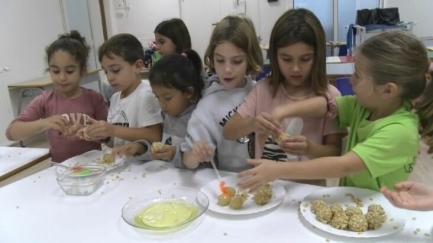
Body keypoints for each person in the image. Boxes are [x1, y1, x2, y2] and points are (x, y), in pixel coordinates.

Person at [236, 31, 433, 192]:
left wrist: (278, 169)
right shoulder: (364, 106)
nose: (351, 79)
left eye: (357, 74)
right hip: (356, 201)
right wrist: (283, 110)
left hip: (383, 212)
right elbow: (327, 105)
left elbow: (344, 165)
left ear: (388, 90)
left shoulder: (400, 131)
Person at [223, 9, 343, 186]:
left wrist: (310, 148)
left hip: (308, 193)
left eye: (305, 59)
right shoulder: (263, 89)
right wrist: (253, 123)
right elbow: (229, 131)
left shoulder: (330, 97)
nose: (295, 68)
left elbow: (335, 153)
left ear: (317, 56)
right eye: (286, 59)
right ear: (274, 56)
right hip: (266, 189)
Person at [5, 30, 108, 162]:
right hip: (60, 169)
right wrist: (43, 123)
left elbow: (108, 137)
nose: (62, 77)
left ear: (83, 71)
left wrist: (87, 131)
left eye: (70, 71)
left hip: (93, 165)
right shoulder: (44, 100)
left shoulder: (94, 98)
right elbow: (11, 133)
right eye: (55, 71)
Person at [180, 15, 263, 172]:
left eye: (237, 61)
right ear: (212, 58)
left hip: (269, 180)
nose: (227, 69)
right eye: (220, 60)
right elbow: (187, 160)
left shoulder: (259, 91)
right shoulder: (207, 106)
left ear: (250, 59)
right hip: (232, 184)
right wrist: (195, 154)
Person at [112, 49, 204, 165]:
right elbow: (157, 148)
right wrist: (140, 147)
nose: (161, 104)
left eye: (167, 98)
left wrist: (174, 154)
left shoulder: (199, 120)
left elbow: (205, 162)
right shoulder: (166, 115)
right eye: (157, 97)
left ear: (188, 93)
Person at [82, 34, 163, 148]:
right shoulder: (115, 98)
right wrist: (101, 135)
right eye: (106, 72)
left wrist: (113, 130)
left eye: (115, 70)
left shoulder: (145, 95)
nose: (109, 77)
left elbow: (155, 136)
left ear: (137, 66)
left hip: (142, 163)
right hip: (121, 161)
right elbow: (114, 142)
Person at [154, 18, 210, 89]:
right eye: (156, 43)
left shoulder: (191, 62)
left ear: (177, 42)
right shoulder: (165, 66)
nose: (157, 47)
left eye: (162, 42)